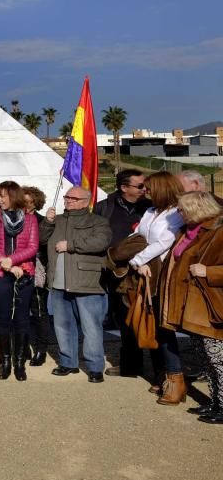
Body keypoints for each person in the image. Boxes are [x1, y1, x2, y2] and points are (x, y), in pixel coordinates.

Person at [159, 192, 223, 424]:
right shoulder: (188, 232)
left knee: (217, 358)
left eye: (182, 209)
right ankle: (215, 402)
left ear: (197, 208)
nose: (179, 213)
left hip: (209, 304)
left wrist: (210, 272)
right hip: (190, 305)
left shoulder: (218, 231)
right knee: (205, 358)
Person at [40, 186, 112, 384]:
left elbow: (101, 242)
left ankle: (95, 367)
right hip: (58, 283)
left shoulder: (98, 221)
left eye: (73, 197)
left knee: (91, 328)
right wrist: (47, 222)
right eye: (66, 196)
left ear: (85, 201)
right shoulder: (58, 220)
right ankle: (68, 362)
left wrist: (70, 245)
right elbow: (41, 239)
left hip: (86, 282)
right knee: (62, 326)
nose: (68, 200)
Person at [126, 172, 185, 402]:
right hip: (147, 274)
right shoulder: (150, 211)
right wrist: (137, 257)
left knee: (164, 328)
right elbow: (137, 235)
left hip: (163, 274)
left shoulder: (175, 213)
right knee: (151, 325)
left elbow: (164, 242)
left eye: (148, 188)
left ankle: (175, 379)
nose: (144, 191)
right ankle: (162, 375)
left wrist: (137, 260)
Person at [95, 168, 151, 376]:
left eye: (144, 185)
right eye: (139, 186)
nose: (144, 189)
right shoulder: (104, 208)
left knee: (152, 319)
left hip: (147, 271)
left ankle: (164, 368)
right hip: (118, 274)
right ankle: (131, 365)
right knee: (126, 320)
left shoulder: (150, 207)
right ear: (123, 187)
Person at [0, 181, 38, 381]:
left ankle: (19, 363)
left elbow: (33, 247)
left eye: (2, 196)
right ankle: (5, 361)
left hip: (24, 273)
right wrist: (3, 262)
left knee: (22, 319)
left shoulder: (30, 220)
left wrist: (12, 261)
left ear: (13, 196)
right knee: (3, 319)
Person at [22, 186, 55, 367]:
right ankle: (24, 346)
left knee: (39, 312)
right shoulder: (13, 219)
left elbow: (43, 245)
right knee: (19, 312)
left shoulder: (43, 222)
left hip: (37, 273)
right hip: (16, 272)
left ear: (36, 203)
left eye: (29, 202)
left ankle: (41, 349)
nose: (25, 205)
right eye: (22, 200)